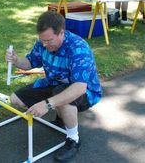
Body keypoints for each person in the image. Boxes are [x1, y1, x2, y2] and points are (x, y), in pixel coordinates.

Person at [6, 11, 102, 162]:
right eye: (42, 40)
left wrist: (47, 104)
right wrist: (16, 60)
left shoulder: (78, 48)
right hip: (53, 84)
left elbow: (79, 88)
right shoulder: (42, 43)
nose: (44, 44)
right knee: (16, 99)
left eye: (49, 40)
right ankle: (61, 117)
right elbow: (29, 63)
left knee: (61, 95)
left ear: (61, 33)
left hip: (84, 92)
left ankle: (73, 140)